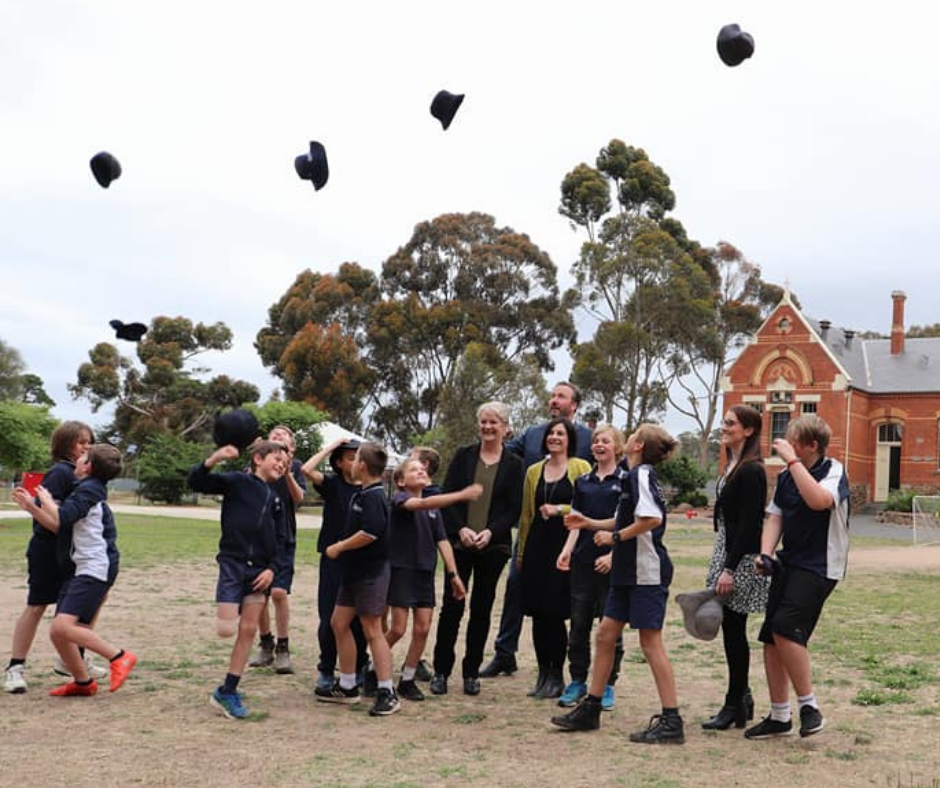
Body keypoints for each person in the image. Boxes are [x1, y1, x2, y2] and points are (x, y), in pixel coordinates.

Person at [552, 424, 685, 744]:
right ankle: (591, 708)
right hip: (628, 572)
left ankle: (672, 720)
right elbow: (626, 519)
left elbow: (651, 520)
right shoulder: (631, 476)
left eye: (633, 434)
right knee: (606, 634)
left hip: (646, 573)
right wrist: (589, 523)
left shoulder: (640, 475)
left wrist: (614, 537)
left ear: (636, 445)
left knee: (650, 643)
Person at [745, 415, 849, 740]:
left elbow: (819, 501)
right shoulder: (788, 475)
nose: (785, 443)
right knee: (771, 638)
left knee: (786, 628)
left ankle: (809, 707)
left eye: (793, 440)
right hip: (789, 562)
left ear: (812, 446)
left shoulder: (833, 470)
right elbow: (774, 516)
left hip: (820, 566)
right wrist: (765, 553)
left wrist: (791, 460)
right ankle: (780, 716)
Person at [480, 382, 593, 679]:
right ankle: (506, 654)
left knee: (566, 602)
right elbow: (501, 454)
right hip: (533, 533)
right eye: (553, 395)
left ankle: (573, 672)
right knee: (517, 588)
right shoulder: (532, 434)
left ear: (575, 405)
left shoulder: (588, 440)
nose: (554, 400)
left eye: (561, 396)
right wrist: (494, 429)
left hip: (571, 535)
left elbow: (597, 488)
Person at [12, 443, 137, 697]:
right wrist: (33, 507)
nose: (77, 459)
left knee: (62, 628)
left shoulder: (89, 490)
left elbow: (64, 516)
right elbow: (61, 525)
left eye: (82, 456)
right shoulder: (86, 488)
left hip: (92, 569)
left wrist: (45, 500)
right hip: (81, 568)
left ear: (88, 466)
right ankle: (83, 683)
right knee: (59, 633)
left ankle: (119, 657)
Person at [187, 440, 289, 720]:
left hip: (259, 573)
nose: (281, 464)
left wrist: (271, 570)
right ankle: (227, 689)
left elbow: (282, 540)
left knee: (247, 631)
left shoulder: (276, 498)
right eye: (276, 459)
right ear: (258, 458)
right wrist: (215, 457)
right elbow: (197, 482)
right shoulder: (237, 482)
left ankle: (227, 690)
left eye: (285, 462)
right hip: (232, 566)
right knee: (225, 630)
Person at [4, 421, 103, 694]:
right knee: (37, 606)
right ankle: (15, 667)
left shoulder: (87, 476)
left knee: (77, 611)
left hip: (72, 553)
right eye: (81, 441)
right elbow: (48, 519)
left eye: (89, 441)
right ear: (66, 444)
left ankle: (71, 660)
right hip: (48, 551)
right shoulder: (61, 472)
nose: (86, 446)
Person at [431, 402, 523, 696]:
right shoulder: (463, 456)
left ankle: (471, 673)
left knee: (481, 610)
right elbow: (449, 496)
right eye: (483, 422)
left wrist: (490, 531)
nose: (487, 427)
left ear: (505, 427)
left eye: (493, 422)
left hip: (492, 547)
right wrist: (461, 529)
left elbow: (513, 508)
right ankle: (441, 671)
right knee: (452, 608)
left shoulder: (514, 464)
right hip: (459, 544)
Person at [315, 442, 399, 717]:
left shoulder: (374, 496)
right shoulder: (362, 494)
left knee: (371, 629)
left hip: (371, 573)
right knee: (339, 623)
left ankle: (387, 691)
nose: (350, 463)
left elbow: (371, 532)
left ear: (361, 465)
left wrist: (339, 546)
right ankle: (348, 685)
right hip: (352, 574)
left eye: (355, 459)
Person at [701, 405, 769, 730]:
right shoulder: (733, 465)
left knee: (733, 630)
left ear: (748, 430)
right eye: (724, 422)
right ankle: (742, 698)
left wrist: (729, 569)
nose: (724, 427)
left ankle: (734, 703)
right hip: (726, 550)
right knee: (731, 630)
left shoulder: (752, 470)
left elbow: (749, 525)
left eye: (730, 423)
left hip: (738, 558)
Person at [385, 458, 476, 701]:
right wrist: (460, 495)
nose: (421, 471)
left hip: (424, 573)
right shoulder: (401, 499)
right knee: (398, 628)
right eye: (414, 470)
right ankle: (374, 668)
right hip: (402, 571)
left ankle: (407, 678)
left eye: (423, 469)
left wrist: (454, 574)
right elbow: (422, 503)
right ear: (401, 481)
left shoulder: (433, 509)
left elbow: (443, 540)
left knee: (423, 628)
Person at [517, 417, 591, 699]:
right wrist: (521, 553)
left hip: (564, 546)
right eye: (551, 433)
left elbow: (587, 505)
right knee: (537, 613)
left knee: (555, 612)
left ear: (569, 439)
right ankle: (543, 673)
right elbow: (526, 514)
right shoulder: (534, 471)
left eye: (560, 433)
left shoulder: (580, 467)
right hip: (537, 545)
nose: (555, 437)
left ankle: (558, 674)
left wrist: (559, 509)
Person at [557, 424, 627, 711]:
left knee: (610, 630)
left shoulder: (626, 480)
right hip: (583, 563)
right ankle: (577, 681)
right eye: (596, 441)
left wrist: (613, 556)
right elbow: (576, 521)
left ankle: (607, 684)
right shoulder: (583, 481)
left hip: (613, 565)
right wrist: (566, 551)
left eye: (606, 441)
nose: (599, 445)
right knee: (579, 625)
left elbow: (627, 523)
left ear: (618, 448)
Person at [301, 436, 370, 691]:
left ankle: (359, 666)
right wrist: (331, 446)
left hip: (362, 563)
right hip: (333, 561)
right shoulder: (332, 484)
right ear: (339, 463)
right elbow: (306, 470)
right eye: (350, 458)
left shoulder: (369, 489)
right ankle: (327, 670)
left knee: (359, 619)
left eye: (359, 458)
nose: (356, 463)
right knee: (329, 617)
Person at [248, 425, 307, 674]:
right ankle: (266, 643)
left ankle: (283, 647)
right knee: (259, 594)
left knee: (279, 593)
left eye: (284, 436)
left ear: (291, 447)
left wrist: (288, 472)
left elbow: (299, 498)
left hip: (284, 539)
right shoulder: (258, 467)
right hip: (258, 539)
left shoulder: (295, 468)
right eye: (275, 434)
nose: (279, 435)